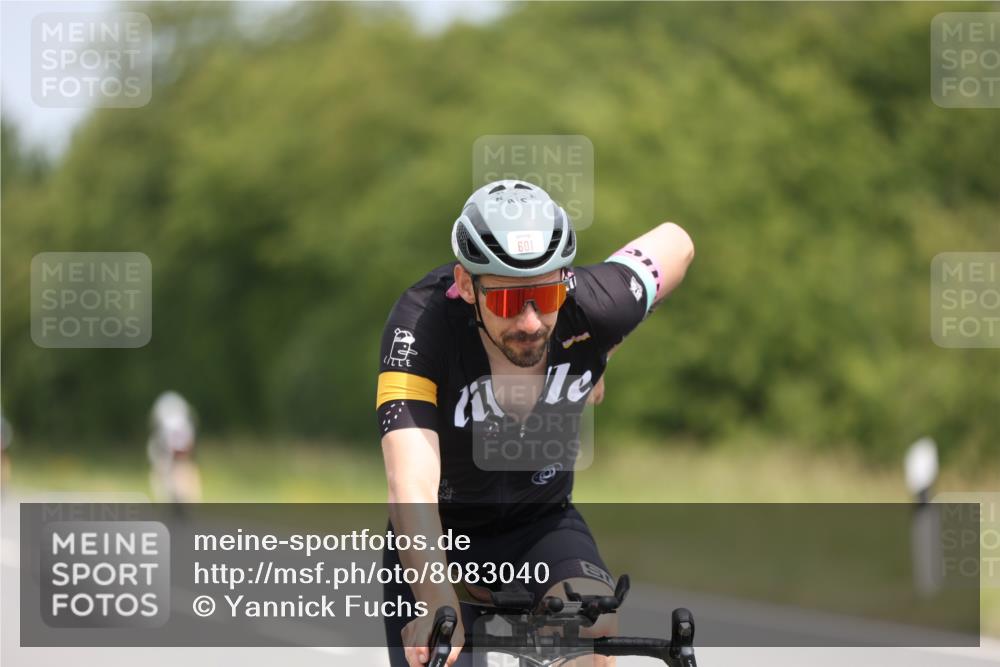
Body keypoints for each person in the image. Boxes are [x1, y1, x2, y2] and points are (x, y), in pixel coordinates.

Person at [377, 180, 694, 666]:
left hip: (541, 524)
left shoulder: (593, 304)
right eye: (506, 302)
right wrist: (435, 597)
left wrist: (605, 345)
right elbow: (411, 483)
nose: (530, 321)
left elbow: (677, 241)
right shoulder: (420, 325)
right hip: (444, 533)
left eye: (545, 296)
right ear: (466, 286)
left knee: (596, 628)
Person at [147, 391, 202, 503]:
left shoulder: (183, 427)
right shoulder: (168, 428)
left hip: (171, 441)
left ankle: (182, 500)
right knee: (163, 471)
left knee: (183, 470)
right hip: (162, 445)